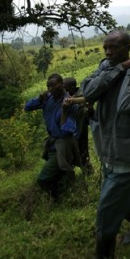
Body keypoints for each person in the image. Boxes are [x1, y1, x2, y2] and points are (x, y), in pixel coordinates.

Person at [80, 30, 130, 259]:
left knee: (107, 209)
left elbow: (125, 104)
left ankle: (104, 257)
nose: (109, 52)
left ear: (128, 47)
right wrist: (120, 68)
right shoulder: (107, 67)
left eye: (115, 48)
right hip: (108, 148)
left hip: (128, 151)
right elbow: (88, 90)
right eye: (106, 48)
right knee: (121, 195)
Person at [24, 73, 81, 201]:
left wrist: (65, 110)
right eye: (48, 86)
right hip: (52, 143)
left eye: (53, 85)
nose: (50, 89)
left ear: (62, 84)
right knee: (58, 173)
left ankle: (58, 197)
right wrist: (39, 99)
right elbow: (27, 107)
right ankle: (65, 195)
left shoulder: (71, 103)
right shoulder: (47, 99)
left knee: (43, 178)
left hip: (63, 143)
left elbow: (67, 129)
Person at [63, 77, 93, 173]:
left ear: (71, 88)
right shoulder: (66, 96)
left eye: (65, 87)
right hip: (70, 129)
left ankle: (88, 171)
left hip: (80, 128)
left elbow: (88, 113)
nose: (64, 90)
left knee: (83, 150)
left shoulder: (82, 96)